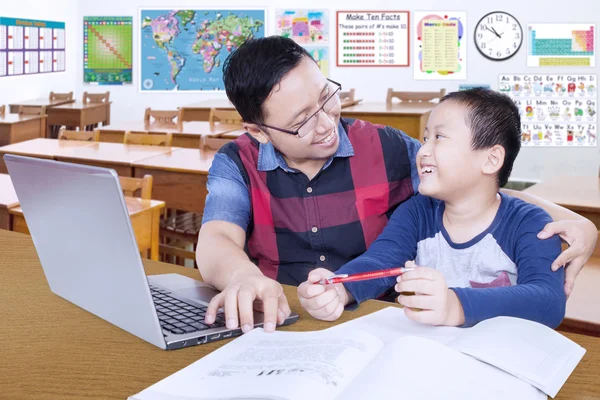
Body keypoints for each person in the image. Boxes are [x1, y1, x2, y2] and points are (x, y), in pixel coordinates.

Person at [198, 36, 598, 333]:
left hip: (382, 324)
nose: (325, 124)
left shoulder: (388, 147)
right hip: (278, 318)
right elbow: (216, 238)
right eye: (302, 120)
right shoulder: (236, 161)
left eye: (326, 98)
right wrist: (245, 277)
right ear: (259, 131)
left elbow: (470, 187)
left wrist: (578, 222)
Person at [297, 89, 572, 327]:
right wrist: (342, 287)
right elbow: (381, 261)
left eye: (439, 137)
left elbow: (547, 301)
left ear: (490, 160)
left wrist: (456, 305)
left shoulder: (530, 224)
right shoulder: (417, 212)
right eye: (425, 138)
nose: (423, 150)